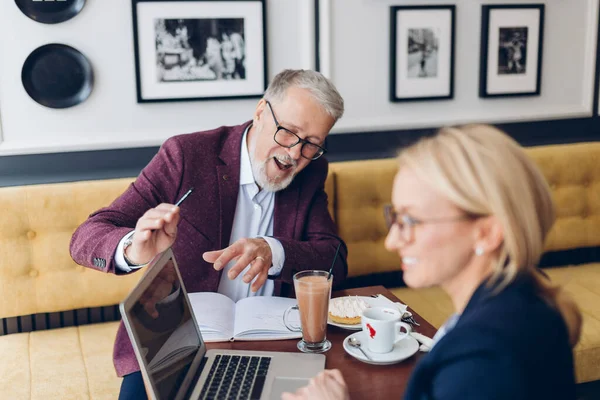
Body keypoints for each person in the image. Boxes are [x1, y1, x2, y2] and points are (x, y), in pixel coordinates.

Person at [69, 69, 348, 399]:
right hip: (174, 345)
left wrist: (275, 251)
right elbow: (87, 235)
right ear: (261, 112)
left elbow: (333, 259)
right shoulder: (187, 155)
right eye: (288, 132)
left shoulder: (311, 172)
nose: (294, 154)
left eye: (312, 144)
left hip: (273, 340)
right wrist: (132, 249)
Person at [283, 124, 582, 400]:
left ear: (487, 233)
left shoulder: (484, 360)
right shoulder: (522, 302)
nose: (392, 242)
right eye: (395, 218)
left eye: (411, 220)